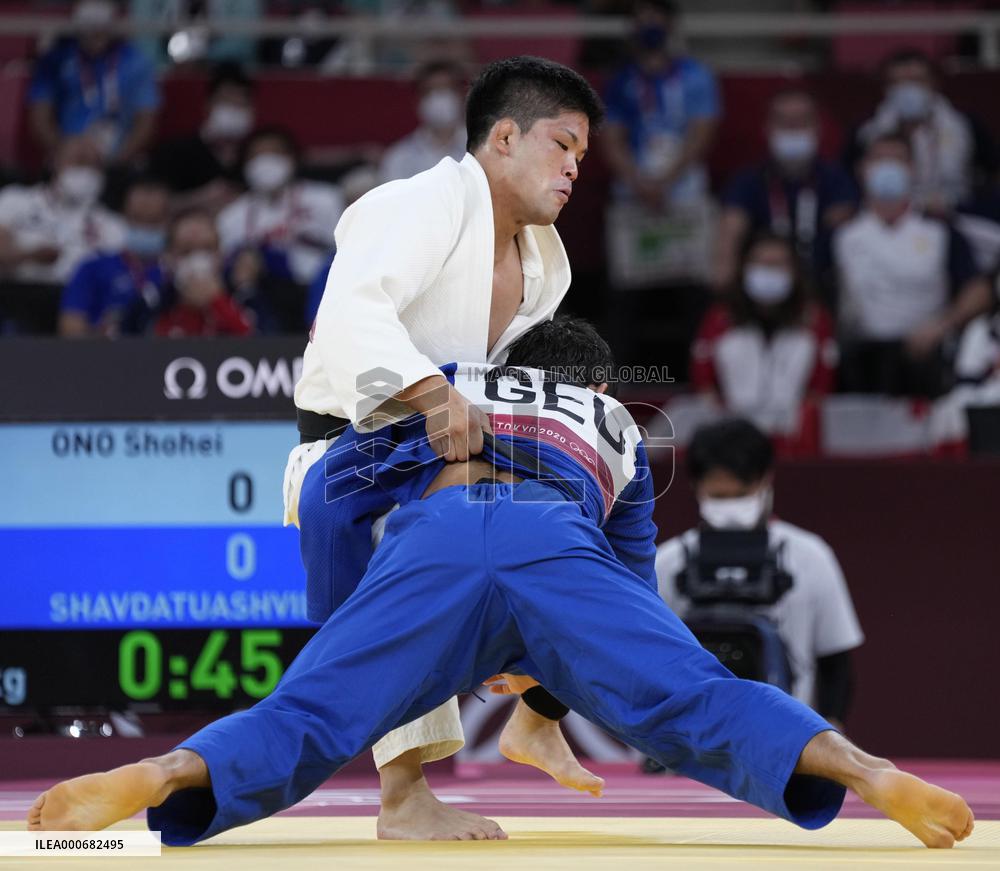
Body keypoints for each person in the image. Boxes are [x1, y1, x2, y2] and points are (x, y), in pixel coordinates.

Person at [27, 319, 974, 852]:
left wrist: (347, 622)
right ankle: (867, 770)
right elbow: (626, 588)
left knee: (308, 710)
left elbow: (327, 500)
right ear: (597, 384)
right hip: (557, 540)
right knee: (695, 697)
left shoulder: (449, 384)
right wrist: (553, 684)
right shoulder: (620, 429)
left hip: (436, 537)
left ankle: (164, 772)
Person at [285, 55, 601, 840]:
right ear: (503, 136)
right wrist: (431, 394)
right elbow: (355, 312)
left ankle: (540, 707)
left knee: (585, 505)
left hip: (457, 449)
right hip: (355, 451)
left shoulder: (543, 264)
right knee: (438, 540)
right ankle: (404, 794)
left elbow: (517, 391)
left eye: (582, 158)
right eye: (562, 145)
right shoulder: (413, 204)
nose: (572, 169)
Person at [655, 417, 864, 726]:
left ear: (765, 480)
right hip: (687, 741)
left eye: (740, 495)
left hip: (784, 738)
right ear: (696, 487)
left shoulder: (811, 556)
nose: (730, 507)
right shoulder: (668, 562)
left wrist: (833, 739)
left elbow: (835, 664)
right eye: (719, 497)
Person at [834, 134, 991, 397]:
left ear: (912, 169)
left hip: (925, 355)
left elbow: (980, 289)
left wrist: (944, 324)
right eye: (879, 159)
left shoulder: (939, 229)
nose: (887, 167)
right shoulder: (842, 232)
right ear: (861, 168)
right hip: (859, 358)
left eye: (897, 159)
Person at [691, 233, 837, 455]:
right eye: (761, 263)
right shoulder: (720, 318)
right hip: (732, 439)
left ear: (794, 272)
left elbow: (821, 385)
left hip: (793, 439)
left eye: (778, 264)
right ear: (744, 268)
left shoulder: (815, 320)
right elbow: (703, 381)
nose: (769, 270)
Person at [714, 88, 858, 291]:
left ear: (817, 128)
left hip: (821, 283)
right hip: (763, 283)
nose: (793, 128)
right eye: (784, 122)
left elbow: (849, 238)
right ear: (767, 128)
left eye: (801, 121)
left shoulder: (836, 179)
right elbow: (729, 237)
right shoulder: (747, 181)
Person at [845, 48, 997, 215]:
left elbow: (993, 171)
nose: (908, 89)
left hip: (956, 212)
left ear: (934, 83)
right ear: (886, 88)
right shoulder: (867, 130)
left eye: (916, 81)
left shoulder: (964, 125)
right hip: (887, 217)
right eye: (899, 82)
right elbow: (847, 177)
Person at [601, 0, 720, 211]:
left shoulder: (696, 75)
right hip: (633, 190)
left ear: (670, 24)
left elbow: (701, 134)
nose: (648, 24)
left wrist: (666, 181)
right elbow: (612, 139)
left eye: (655, 18)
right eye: (642, 19)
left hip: (685, 188)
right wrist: (638, 183)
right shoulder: (620, 81)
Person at [28, 0, 159, 167]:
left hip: (118, 158)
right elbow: (39, 118)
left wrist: (117, 159)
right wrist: (64, 152)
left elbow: (146, 123)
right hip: (66, 155)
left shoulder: (136, 61)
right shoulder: (55, 60)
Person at [217, 126, 344, 288]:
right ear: (245, 164)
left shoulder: (326, 199)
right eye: (257, 155)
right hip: (263, 295)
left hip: (321, 288)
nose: (266, 162)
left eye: (275, 153)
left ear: (292, 159)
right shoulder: (231, 217)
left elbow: (343, 250)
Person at [0, 135, 126, 286]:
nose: (86, 171)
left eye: (94, 166)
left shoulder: (113, 225)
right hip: (15, 292)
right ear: (54, 162)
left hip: (76, 301)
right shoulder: (15, 199)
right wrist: (29, 256)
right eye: (79, 161)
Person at [58, 176, 170, 337]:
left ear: (168, 221)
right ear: (124, 217)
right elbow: (70, 327)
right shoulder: (93, 267)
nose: (145, 227)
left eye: (154, 221)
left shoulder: (175, 273)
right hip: (106, 354)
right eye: (138, 218)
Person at [149, 63, 256, 216]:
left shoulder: (256, 152)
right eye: (227, 99)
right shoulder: (175, 151)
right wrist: (199, 198)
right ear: (208, 105)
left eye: (242, 102)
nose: (235, 107)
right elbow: (152, 206)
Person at [153, 209, 253, 337]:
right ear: (168, 258)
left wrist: (218, 302)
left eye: (207, 249)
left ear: (221, 254)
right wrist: (188, 308)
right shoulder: (153, 304)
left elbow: (261, 348)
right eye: (187, 251)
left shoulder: (246, 297)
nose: (198, 261)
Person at [380, 60, 468, 183]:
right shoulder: (399, 157)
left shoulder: (482, 151)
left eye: (446, 89)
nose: (439, 97)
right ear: (418, 101)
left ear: (461, 96)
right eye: (430, 91)